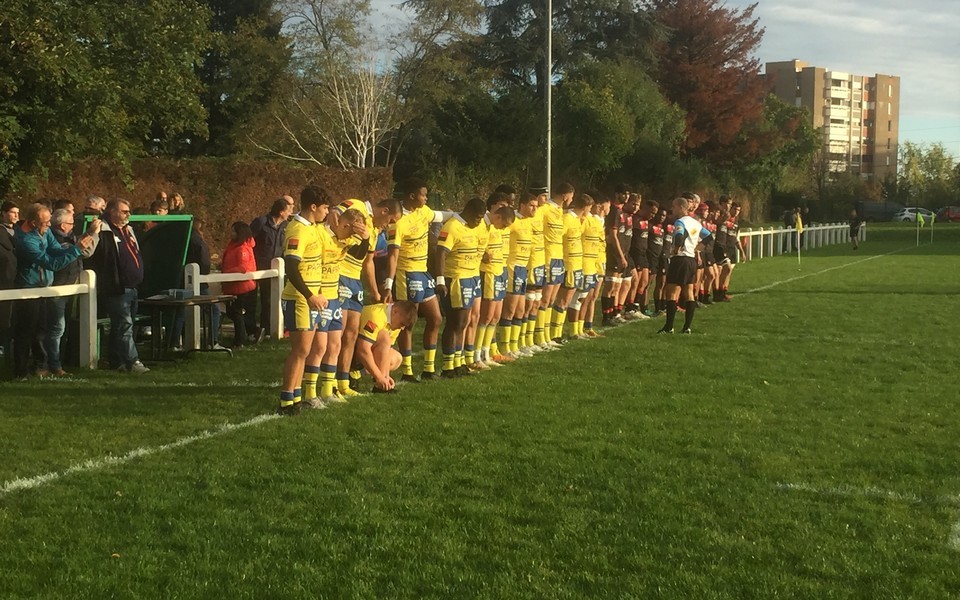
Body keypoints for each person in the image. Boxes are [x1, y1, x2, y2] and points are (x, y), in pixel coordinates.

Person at [382, 178, 455, 382]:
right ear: (412, 196)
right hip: (407, 274)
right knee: (407, 322)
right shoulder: (398, 222)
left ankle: (428, 369)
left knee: (436, 318)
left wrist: (460, 216)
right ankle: (407, 370)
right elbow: (393, 255)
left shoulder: (423, 211)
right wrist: (389, 283)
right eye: (423, 194)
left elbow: (441, 215)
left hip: (423, 272)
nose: (426, 198)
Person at [12, 203, 95, 377]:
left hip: (45, 289)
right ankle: (20, 372)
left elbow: (56, 251)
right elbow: (52, 264)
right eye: (45, 222)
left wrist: (75, 248)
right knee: (26, 333)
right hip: (28, 291)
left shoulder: (44, 231)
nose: (49, 225)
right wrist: (76, 250)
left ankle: (40, 368)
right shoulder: (26, 242)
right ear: (33, 222)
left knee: (41, 331)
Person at [331, 198, 402, 398]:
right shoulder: (357, 205)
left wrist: (375, 291)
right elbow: (333, 214)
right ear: (384, 210)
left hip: (355, 282)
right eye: (390, 220)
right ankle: (331, 383)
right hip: (340, 275)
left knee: (351, 334)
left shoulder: (375, 230)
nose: (389, 225)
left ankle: (344, 382)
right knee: (339, 332)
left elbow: (368, 262)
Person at [278, 186, 333, 415]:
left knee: (306, 349)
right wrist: (309, 295)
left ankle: (296, 397)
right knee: (300, 350)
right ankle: (286, 401)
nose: (327, 212)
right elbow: (291, 265)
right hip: (299, 298)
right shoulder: (298, 230)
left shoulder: (313, 228)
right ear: (313, 207)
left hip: (309, 299)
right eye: (325, 207)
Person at [88, 199, 149, 373]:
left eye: (128, 211)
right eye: (124, 211)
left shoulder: (128, 230)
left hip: (133, 287)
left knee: (120, 327)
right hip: (116, 287)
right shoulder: (103, 230)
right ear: (112, 211)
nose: (128, 214)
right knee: (124, 326)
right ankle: (133, 361)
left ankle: (117, 362)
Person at [43, 208, 100, 375]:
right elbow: (83, 251)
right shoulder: (55, 240)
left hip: (68, 289)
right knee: (56, 330)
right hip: (57, 289)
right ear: (62, 226)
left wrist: (89, 232)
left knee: (61, 329)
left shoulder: (67, 237)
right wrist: (94, 234)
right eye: (71, 223)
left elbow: (80, 248)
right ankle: (54, 365)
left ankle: (60, 362)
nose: (73, 226)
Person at [436, 197, 487, 377]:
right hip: (455, 278)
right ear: (470, 212)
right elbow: (441, 253)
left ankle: (458, 363)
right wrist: (440, 280)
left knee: (464, 322)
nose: (480, 221)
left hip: (472, 277)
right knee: (455, 322)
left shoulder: (477, 226)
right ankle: (447, 366)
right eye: (478, 217)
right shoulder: (452, 227)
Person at [658, 196, 711, 335]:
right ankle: (687, 327)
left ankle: (669, 327)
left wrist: (676, 249)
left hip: (680, 259)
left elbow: (679, 236)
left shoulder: (679, 222)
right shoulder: (696, 223)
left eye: (674, 206)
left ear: (682, 207)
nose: (672, 209)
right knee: (689, 292)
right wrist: (697, 249)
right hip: (691, 260)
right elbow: (709, 237)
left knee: (671, 292)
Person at [499, 192, 538, 356]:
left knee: (521, 310)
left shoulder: (529, 222)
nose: (535, 209)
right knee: (510, 309)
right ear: (522, 205)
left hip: (523, 269)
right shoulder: (513, 220)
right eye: (531, 205)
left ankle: (515, 346)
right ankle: (504, 347)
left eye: (536, 206)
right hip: (512, 268)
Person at [249, 197, 294, 340]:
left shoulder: (286, 226)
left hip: (276, 269)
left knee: (270, 298)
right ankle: (253, 330)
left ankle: (268, 329)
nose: (290, 213)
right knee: (252, 300)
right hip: (258, 267)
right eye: (288, 210)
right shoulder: (261, 222)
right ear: (281, 212)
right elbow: (248, 242)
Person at [352, 301, 419, 393]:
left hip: (361, 351)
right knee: (384, 337)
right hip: (350, 351)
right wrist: (379, 377)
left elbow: (386, 352)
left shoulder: (395, 322)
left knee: (397, 359)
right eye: (402, 323)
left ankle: (360, 375)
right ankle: (354, 372)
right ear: (395, 311)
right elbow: (363, 350)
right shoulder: (376, 315)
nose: (402, 328)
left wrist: (385, 377)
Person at [221, 222, 258, 348]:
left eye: (234, 231)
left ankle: (241, 339)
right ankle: (251, 332)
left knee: (236, 312)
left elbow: (243, 267)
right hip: (233, 285)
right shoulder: (233, 246)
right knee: (233, 313)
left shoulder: (243, 248)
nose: (231, 234)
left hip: (242, 286)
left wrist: (226, 273)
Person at [0, 201, 18, 359]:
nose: (16, 216)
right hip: (4, 282)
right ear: (3, 213)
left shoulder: (19, 232)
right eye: (13, 212)